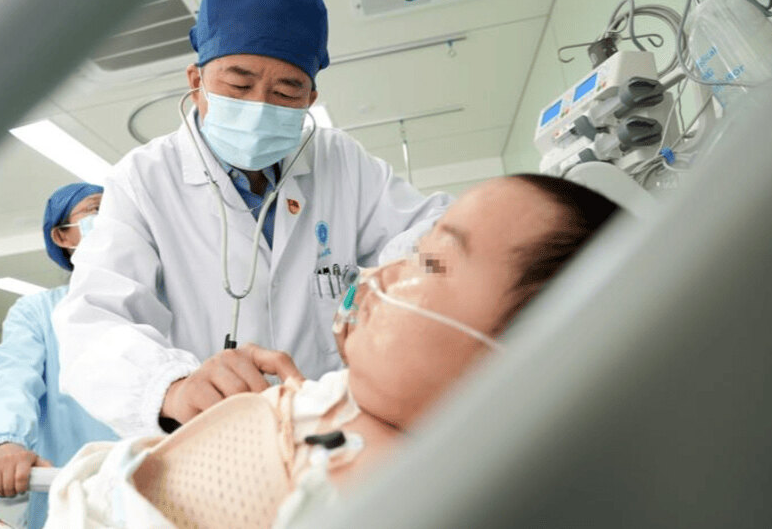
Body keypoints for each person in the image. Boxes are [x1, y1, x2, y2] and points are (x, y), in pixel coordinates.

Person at [43, 175, 622, 528]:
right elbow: (94, 320)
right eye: (413, 250)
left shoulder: (394, 493)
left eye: (431, 262)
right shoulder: (349, 400)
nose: (383, 272)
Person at [53, 0, 451, 439]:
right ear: (195, 80)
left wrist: (401, 290)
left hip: (327, 429)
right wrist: (172, 386)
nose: (261, 105)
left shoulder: (340, 160)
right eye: (238, 86)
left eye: (286, 92)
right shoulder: (142, 179)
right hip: (213, 439)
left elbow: (433, 232)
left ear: (311, 98)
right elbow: (95, 318)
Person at [0, 183, 118, 529]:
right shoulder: (37, 312)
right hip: (70, 501)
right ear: (63, 236)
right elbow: (10, 380)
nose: (111, 217)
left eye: (118, 208)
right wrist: (3, 442)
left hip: (159, 495)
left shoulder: (161, 303)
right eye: (95, 209)